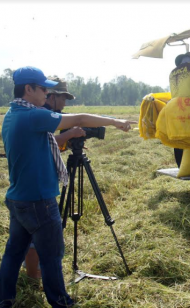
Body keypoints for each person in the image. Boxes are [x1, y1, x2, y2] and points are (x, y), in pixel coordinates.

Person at [0, 66, 134, 308]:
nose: (46, 94)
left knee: (13, 254)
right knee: (51, 257)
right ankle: (61, 302)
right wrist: (116, 122)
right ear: (28, 89)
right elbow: (81, 118)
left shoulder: (12, 114)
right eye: (43, 89)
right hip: (39, 200)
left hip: (18, 198)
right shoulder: (33, 116)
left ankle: (6, 299)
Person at [23, 76, 85, 280]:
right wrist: (70, 134)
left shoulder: (38, 112)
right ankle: (36, 276)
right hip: (37, 187)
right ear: (53, 96)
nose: (65, 103)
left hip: (33, 183)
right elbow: (43, 142)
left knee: (27, 233)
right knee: (38, 231)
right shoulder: (42, 114)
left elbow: (48, 143)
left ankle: (33, 272)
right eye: (64, 98)